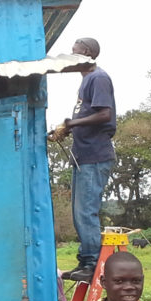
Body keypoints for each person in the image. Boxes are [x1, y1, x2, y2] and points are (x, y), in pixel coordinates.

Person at [50, 37, 116, 283]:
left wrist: (70, 123)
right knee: (80, 213)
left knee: (85, 212)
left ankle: (91, 264)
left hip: (95, 156)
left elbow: (104, 114)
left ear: (86, 53)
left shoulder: (98, 78)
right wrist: (67, 128)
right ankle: (85, 261)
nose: (71, 55)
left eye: (74, 51)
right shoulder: (87, 81)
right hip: (84, 157)